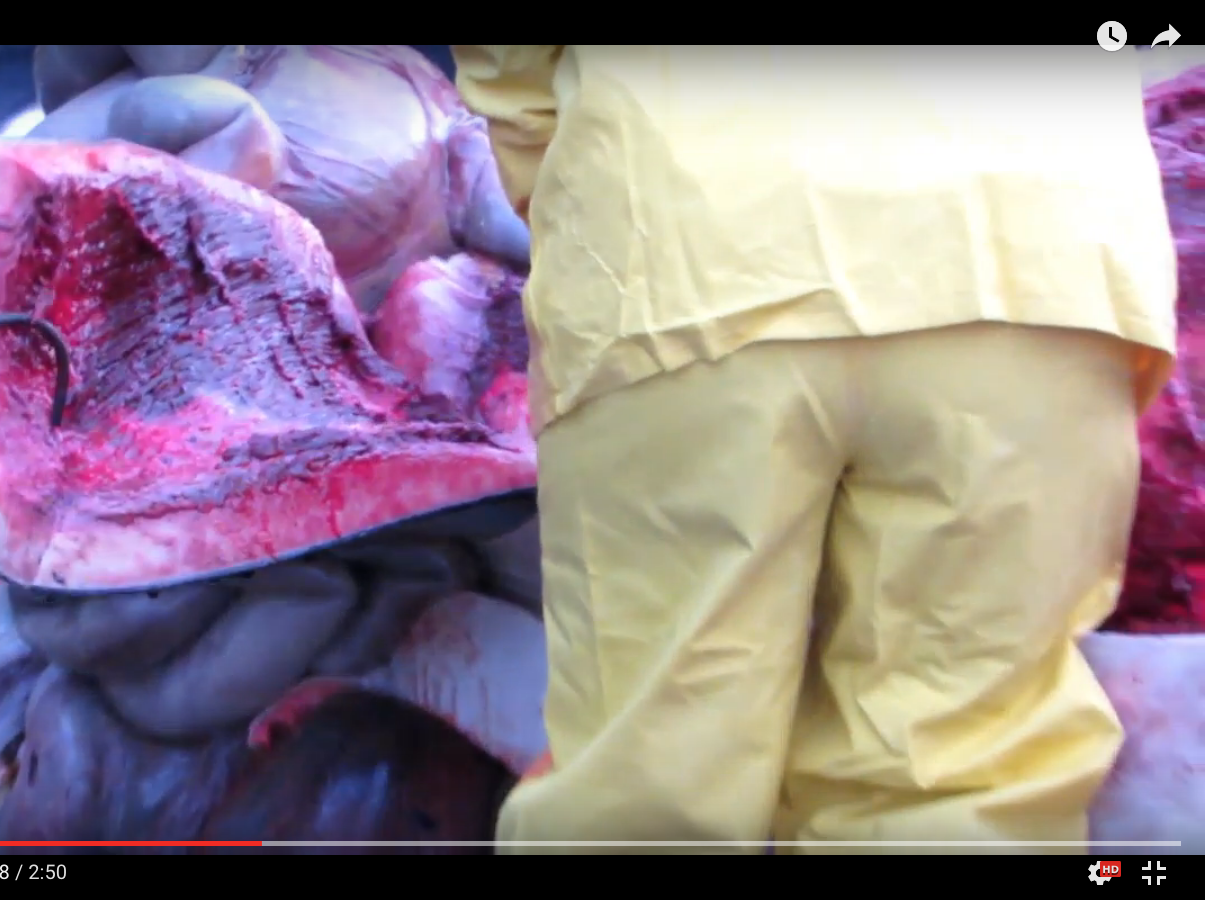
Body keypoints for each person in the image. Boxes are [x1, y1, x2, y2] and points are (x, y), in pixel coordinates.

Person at [450, 45, 1179, 853]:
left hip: (694, 251)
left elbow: (514, 69)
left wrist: (569, 189)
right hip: (1038, 255)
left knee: (649, 781)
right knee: (959, 775)